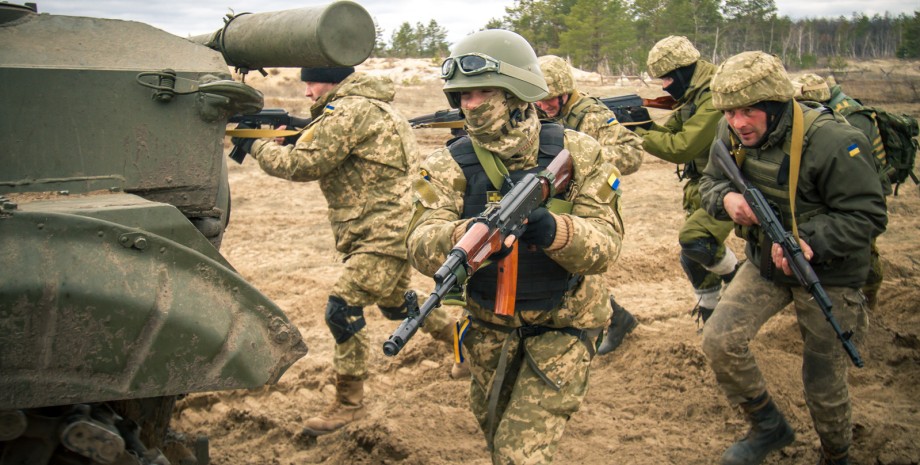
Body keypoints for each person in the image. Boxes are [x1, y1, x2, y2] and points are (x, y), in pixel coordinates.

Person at [406, 29, 623, 464]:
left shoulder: (579, 154)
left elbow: (607, 245)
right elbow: (419, 241)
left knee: (517, 454)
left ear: (516, 92)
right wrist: (469, 235)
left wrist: (551, 230)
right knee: (494, 434)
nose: (470, 106)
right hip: (488, 327)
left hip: (565, 325)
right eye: (461, 96)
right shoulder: (448, 163)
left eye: (482, 92)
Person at [230, 65, 459, 436]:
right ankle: (466, 345)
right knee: (397, 305)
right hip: (390, 227)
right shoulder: (372, 106)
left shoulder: (349, 111)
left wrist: (252, 143)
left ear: (334, 81)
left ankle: (349, 404)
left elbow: (301, 165)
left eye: (312, 82)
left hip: (381, 233)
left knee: (343, 307)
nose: (307, 92)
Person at [699, 51, 887, 465]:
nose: (739, 122)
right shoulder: (729, 133)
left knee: (822, 380)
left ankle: (836, 454)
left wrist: (809, 241)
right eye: (730, 111)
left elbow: (868, 216)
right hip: (766, 263)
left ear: (775, 103)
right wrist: (727, 199)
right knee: (719, 340)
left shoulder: (833, 141)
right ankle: (768, 426)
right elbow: (709, 182)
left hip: (830, 274)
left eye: (749, 110)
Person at [535, 54, 643, 355]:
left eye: (551, 100)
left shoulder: (591, 115)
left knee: (582, 264)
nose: (543, 107)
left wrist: (583, 162)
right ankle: (616, 318)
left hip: (592, 200)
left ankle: (610, 321)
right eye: (539, 100)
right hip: (561, 201)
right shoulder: (542, 113)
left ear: (566, 93)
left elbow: (631, 152)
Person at [632, 35, 739, 325]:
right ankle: (710, 311)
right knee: (692, 257)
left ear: (680, 71)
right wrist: (641, 121)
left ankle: (738, 279)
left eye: (666, 78)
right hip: (703, 184)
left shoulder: (714, 95)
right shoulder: (693, 93)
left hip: (730, 184)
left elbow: (682, 148)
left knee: (697, 243)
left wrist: (635, 133)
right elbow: (670, 134)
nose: (664, 86)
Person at [794, 73, 889, 309]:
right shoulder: (820, 123)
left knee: (863, 249)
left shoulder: (848, 121)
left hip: (864, 186)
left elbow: (864, 172)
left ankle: (867, 301)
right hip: (836, 187)